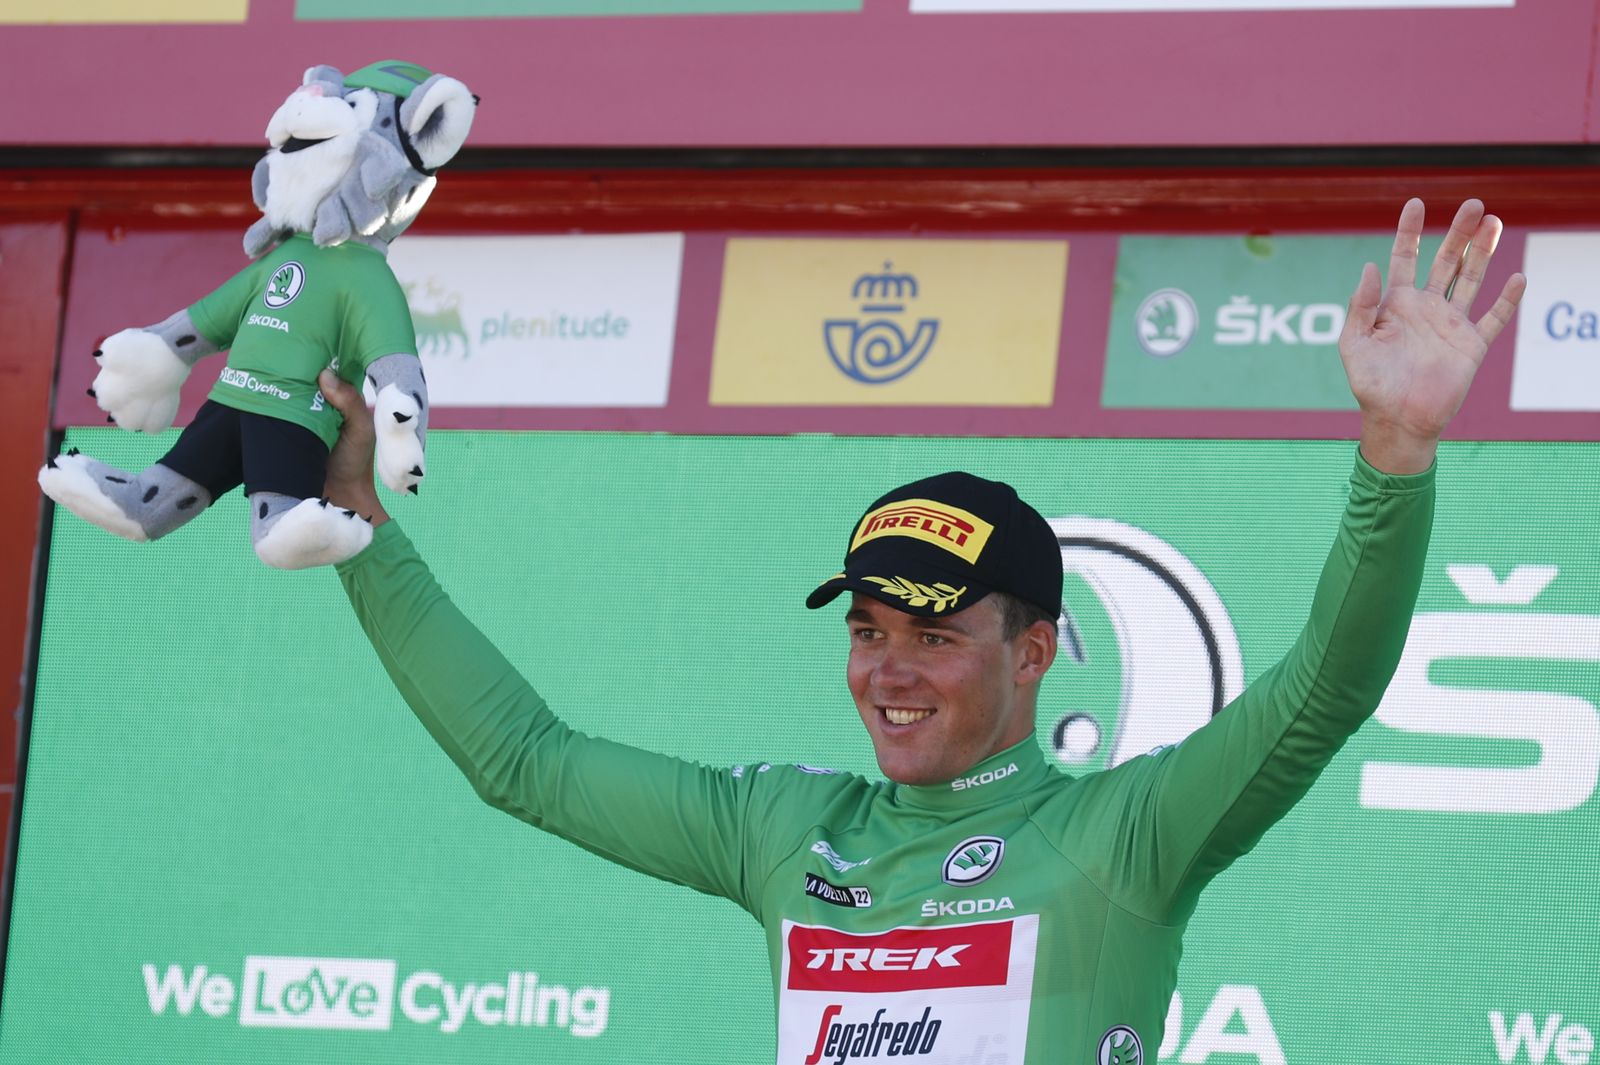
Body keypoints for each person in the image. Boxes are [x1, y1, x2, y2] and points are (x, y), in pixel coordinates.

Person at [316, 198, 1524, 1064]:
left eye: (936, 636)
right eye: (869, 628)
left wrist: (1395, 454)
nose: (888, 669)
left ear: (1034, 651)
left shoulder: (1121, 840)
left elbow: (1325, 691)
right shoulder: (788, 833)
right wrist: (361, 524)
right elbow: (523, 761)